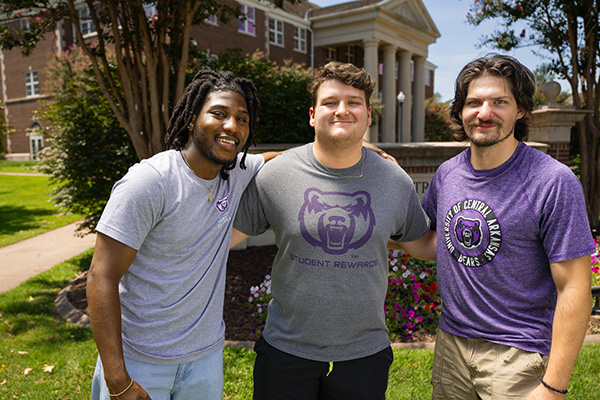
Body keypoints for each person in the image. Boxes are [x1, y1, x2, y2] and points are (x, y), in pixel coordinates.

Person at [232, 61, 435, 400]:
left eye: (353, 102)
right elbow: (220, 241)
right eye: (330, 102)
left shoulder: (394, 180)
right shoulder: (275, 175)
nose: (342, 110)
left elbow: (421, 245)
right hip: (286, 351)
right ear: (313, 114)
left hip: (364, 354)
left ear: (368, 115)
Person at [87, 70, 279, 400]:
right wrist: (117, 378)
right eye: (218, 114)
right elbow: (100, 276)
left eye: (242, 119)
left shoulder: (237, 174)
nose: (232, 126)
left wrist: (353, 148)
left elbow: (285, 158)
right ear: (191, 121)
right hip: (140, 364)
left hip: (205, 362)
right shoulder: (150, 182)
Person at [419, 54, 594, 399]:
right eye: (474, 102)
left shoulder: (552, 181)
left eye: (500, 102)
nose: (485, 113)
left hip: (518, 355)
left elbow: (575, 289)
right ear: (459, 112)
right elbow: (431, 241)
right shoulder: (448, 174)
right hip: (451, 346)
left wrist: (554, 387)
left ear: (520, 110)